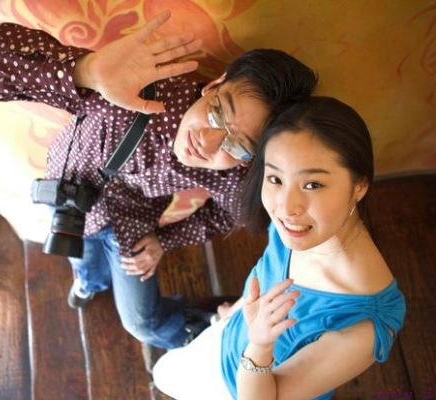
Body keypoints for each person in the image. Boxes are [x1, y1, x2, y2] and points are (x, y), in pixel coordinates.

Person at [0, 10, 318, 349]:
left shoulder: (238, 173)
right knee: (82, 264)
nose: (206, 141)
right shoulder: (131, 89)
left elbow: (228, 214)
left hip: (131, 228)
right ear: (215, 85)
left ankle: (212, 324)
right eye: (217, 111)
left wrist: (164, 241)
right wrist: (86, 70)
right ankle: (89, 283)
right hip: (68, 204)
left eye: (237, 145)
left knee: (142, 324)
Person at [152, 96, 406, 399]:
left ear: (359, 186)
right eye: (275, 178)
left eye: (313, 184)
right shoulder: (294, 231)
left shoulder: (364, 323)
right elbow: (264, 281)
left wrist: (259, 345)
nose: (286, 207)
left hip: (238, 389)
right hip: (224, 337)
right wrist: (233, 315)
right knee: (164, 372)